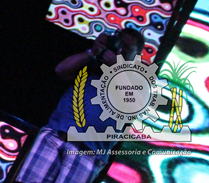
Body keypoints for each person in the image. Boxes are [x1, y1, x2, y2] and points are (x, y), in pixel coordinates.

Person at [15, 28, 146, 183]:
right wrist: (93, 51)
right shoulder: (93, 64)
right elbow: (61, 70)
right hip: (55, 136)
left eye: (127, 49)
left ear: (137, 55)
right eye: (119, 44)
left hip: (89, 152)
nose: (120, 50)